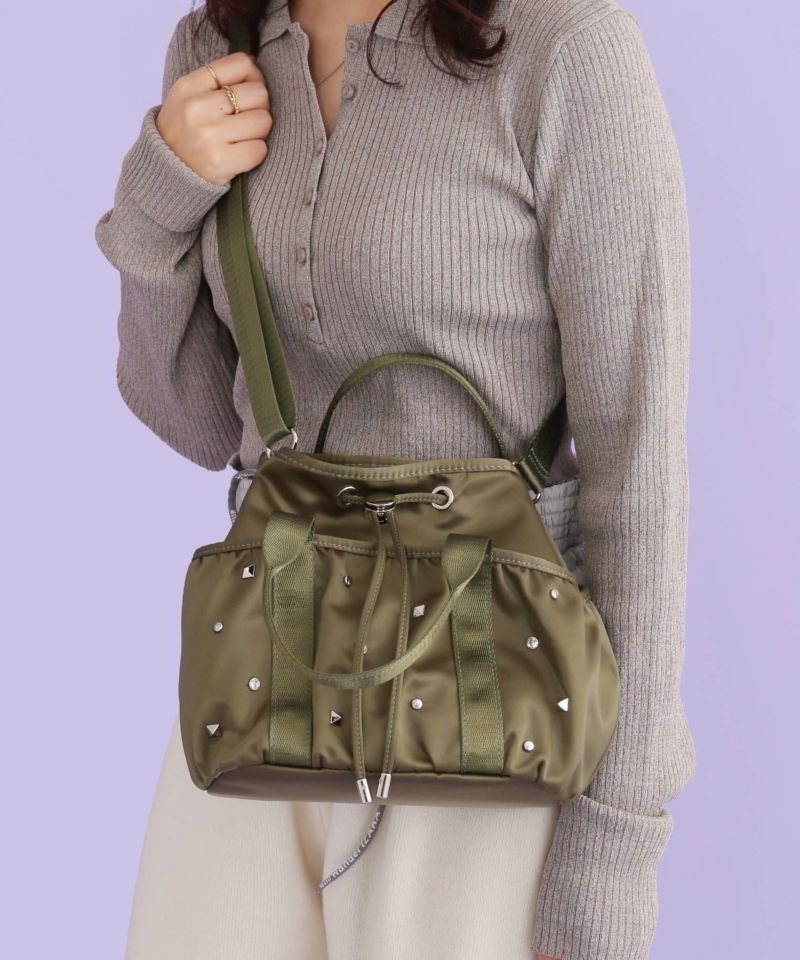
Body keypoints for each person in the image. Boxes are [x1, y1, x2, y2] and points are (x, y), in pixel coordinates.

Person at [94, 0, 696, 957]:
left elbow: (643, 473)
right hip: (260, 687)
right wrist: (157, 199)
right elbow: (202, 421)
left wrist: (615, 842)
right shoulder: (219, 47)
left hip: (493, 706)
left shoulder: (564, 48)